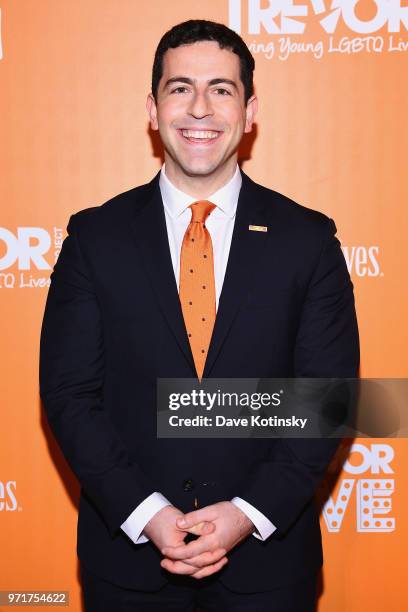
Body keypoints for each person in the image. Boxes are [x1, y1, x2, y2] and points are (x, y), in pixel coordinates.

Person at [39, 19, 359, 612]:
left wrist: (247, 514)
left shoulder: (308, 240)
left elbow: (327, 398)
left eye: (222, 89)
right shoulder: (95, 237)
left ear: (250, 109)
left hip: (268, 564)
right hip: (130, 563)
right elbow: (69, 394)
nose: (200, 108)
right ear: (154, 110)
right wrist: (147, 513)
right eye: (180, 88)